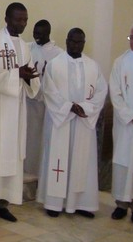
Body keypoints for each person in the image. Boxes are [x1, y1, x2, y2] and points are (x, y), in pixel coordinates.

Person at [0, 2, 40, 224]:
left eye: (25, 20)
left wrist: (29, 77)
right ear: (6, 18)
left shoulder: (26, 47)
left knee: (12, 154)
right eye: (18, 19)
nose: (22, 24)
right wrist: (16, 74)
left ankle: (3, 202)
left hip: (17, 108)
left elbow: (31, 77)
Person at [36, 28, 107, 218]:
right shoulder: (55, 64)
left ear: (84, 43)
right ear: (66, 41)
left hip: (83, 122)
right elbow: (48, 91)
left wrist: (85, 107)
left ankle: (81, 203)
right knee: (58, 160)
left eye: (80, 42)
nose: (76, 45)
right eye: (73, 41)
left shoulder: (93, 66)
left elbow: (100, 92)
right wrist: (68, 107)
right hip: (61, 122)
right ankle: (54, 203)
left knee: (82, 162)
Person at [25, 20, 63, 175]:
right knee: (28, 137)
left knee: (43, 138)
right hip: (28, 101)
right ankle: (27, 168)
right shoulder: (28, 48)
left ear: (48, 33)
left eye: (40, 34)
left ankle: (40, 171)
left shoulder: (58, 54)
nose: (37, 36)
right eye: (35, 33)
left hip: (47, 104)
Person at [109, 23, 133, 224]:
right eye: (132, 38)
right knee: (123, 161)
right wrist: (130, 115)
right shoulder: (120, 62)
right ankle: (121, 204)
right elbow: (115, 92)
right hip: (126, 124)